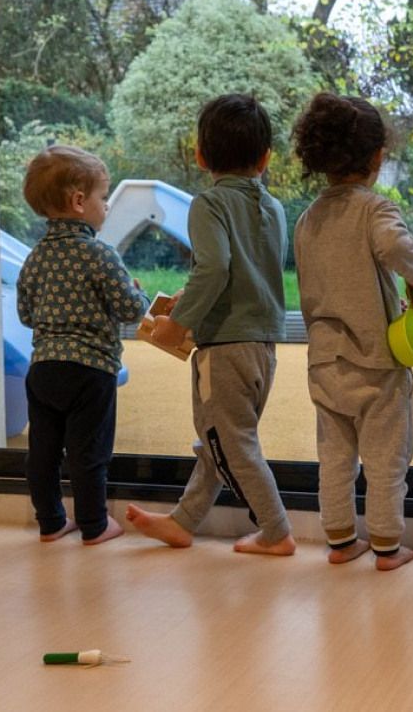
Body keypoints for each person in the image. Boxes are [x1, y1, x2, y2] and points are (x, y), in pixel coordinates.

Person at [126, 94, 296, 556]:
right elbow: (243, 272)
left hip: (223, 347)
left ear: (200, 156)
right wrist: (190, 297)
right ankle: (184, 521)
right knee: (220, 439)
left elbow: (216, 268)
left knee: (231, 444)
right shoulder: (275, 208)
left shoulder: (209, 203)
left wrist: (177, 322)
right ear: (265, 158)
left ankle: (276, 531)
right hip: (264, 344)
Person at [292, 92, 413, 571]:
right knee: (386, 458)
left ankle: (339, 540)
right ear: (377, 157)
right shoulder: (374, 211)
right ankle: (388, 546)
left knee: (334, 457)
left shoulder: (309, 218)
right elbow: (399, 247)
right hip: (375, 361)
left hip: (324, 361)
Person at [17, 145, 149, 545]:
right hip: (90, 370)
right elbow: (130, 310)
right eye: (102, 197)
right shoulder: (99, 255)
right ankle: (94, 524)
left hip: (42, 369)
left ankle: (51, 522)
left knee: (43, 451)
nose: (105, 205)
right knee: (88, 451)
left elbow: (27, 314)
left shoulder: (35, 258)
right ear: (79, 202)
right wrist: (139, 295)